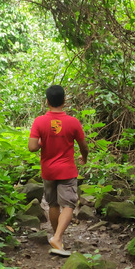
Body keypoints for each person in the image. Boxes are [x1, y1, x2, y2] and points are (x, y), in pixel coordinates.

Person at [28, 85, 89, 256]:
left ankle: (57, 239)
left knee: (53, 204)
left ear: (47, 101)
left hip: (48, 171)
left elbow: (32, 147)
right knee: (69, 204)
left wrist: (41, 142)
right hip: (67, 171)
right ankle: (57, 237)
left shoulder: (39, 121)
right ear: (64, 101)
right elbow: (84, 146)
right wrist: (84, 158)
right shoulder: (73, 122)